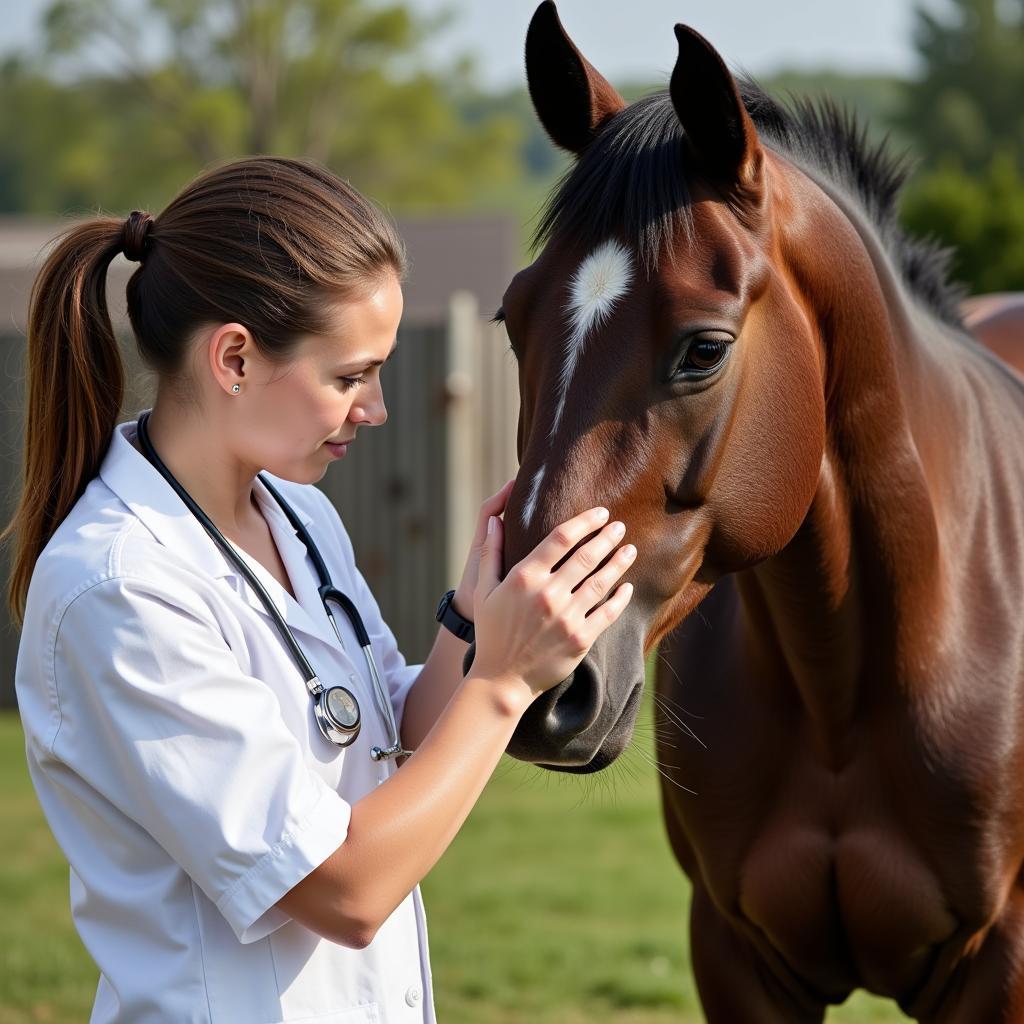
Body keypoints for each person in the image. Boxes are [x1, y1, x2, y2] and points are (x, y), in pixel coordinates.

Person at [5, 156, 636, 1024]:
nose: (375, 407)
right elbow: (346, 891)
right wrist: (505, 684)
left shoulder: (297, 515)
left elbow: (389, 729)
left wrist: (476, 613)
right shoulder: (119, 588)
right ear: (233, 357)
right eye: (349, 376)